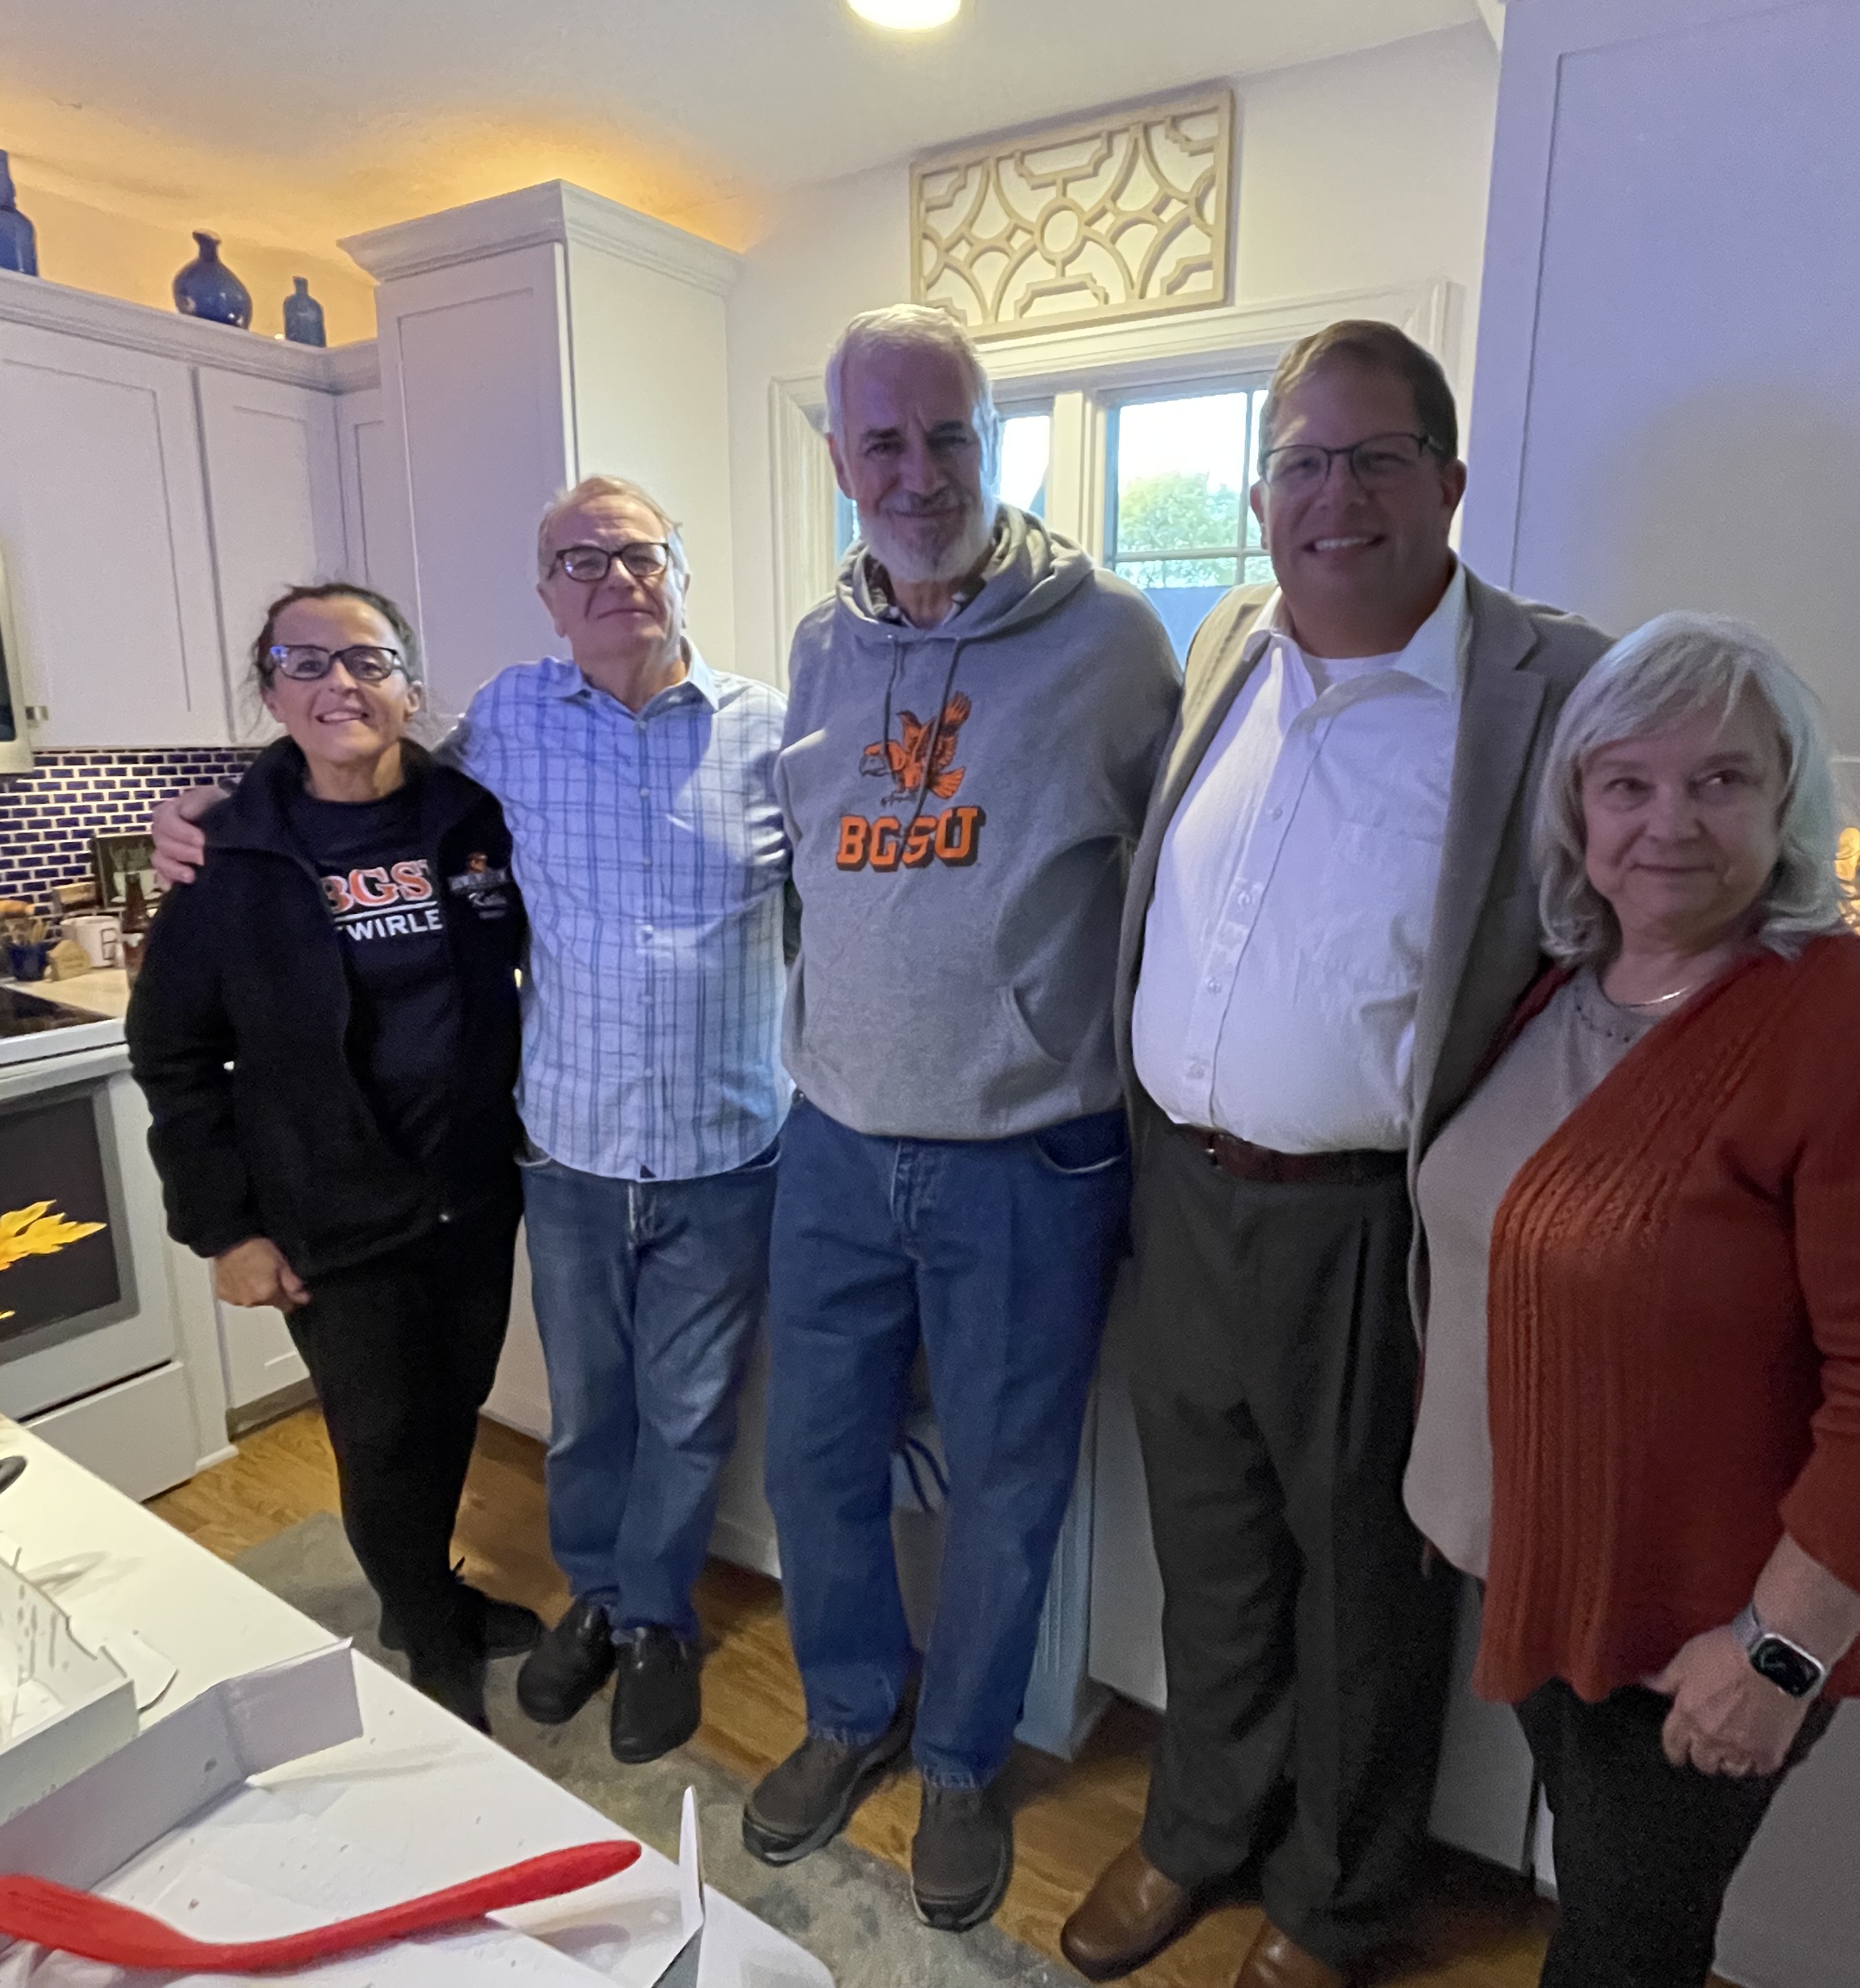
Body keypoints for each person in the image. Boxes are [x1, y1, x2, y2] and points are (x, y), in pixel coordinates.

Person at [1067, 321, 1860, 1988]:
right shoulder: (1229, 643)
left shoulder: (1558, 683)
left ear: (1449, 484)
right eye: (1303, 460)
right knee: (1214, 1550)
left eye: (1378, 458)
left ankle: (1337, 1897)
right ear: (1258, 493)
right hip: (1186, 1191)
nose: (1337, 494)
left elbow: (1720, 870)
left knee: (1368, 1593)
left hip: (1384, 1218)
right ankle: (1197, 1828)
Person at [1405, 611, 1860, 1985]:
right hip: (1552, 1592)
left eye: (1721, 780)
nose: (1667, 822)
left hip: (1700, 1630)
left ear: (1788, 797)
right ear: (1577, 805)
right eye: (1627, 783)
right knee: (1611, 1903)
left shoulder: (1856, 1025)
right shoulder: (1568, 987)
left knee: (1627, 1950)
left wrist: (1781, 1654)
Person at [150, 479, 790, 1768]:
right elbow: (330, 776)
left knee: (688, 1405)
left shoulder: (764, 734)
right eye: (578, 561)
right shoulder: (504, 728)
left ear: (680, 571)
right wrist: (202, 817)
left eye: (638, 554)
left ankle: (654, 1617)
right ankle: (573, 1601)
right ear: (547, 593)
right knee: (583, 1407)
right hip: (554, 1156)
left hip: (708, 1152)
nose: (614, 580)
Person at [745, 304, 1181, 1934]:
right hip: (838, 1140)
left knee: (1009, 1485)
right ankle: (852, 1712)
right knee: (815, 1460)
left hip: (1031, 1155)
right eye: (882, 442)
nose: (916, 473)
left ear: (994, 442)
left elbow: (1175, 885)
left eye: (949, 438)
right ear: (839, 455)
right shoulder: (817, 646)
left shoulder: (1115, 642)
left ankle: (961, 1759)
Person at [128, 583, 531, 1729]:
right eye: (304, 663)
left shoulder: (472, 819)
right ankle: (429, 1632)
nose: (338, 684)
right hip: (327, 1202)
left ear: (409, 688)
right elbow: (172, 1049)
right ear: (270, 691)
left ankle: (421, 1593)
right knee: (381, 1432)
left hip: (469, 1187)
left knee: (451, 1406)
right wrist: (223, 1228)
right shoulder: (232, 851)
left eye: (366, 660)